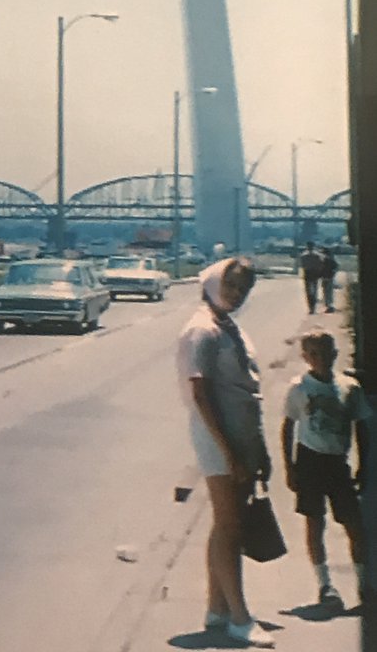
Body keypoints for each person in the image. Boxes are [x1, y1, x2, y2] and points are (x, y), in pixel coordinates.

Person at [177, 257, 275, 648]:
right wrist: (230, 452)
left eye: (244, 288)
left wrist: (258, 449)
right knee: (230, 524)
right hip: (219, 437)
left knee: (226, 523)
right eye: (232, 285)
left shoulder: (225, 325)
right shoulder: (201, 329)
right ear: (214, 281)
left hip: (240, 436)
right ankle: (239, 617)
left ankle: (217, 608)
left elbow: (246, 391)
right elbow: (200, 395)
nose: (237, 294)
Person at [282, 329, 371, 612]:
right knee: (315, 522)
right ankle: (325, 584)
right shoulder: (299, 388)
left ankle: (364, 583)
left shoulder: (349, 387)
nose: (321, 359)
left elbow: (362, 427)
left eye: (326, 353)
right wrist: (290, 467)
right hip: (310, 461)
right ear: (306, 357)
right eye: (314, 354)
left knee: (354, 525)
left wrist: (364, 463)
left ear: (335, 354)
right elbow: (288, 427)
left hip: (337, 462)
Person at [299, 241, 324, 315]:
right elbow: (321, 265)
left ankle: (310, 308)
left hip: (307, 274)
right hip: (315, 274)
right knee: (314, 291)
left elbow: (303, 265)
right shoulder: (318, 255)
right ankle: (313, 308)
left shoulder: (303, 255)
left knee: (308, 292)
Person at [320, 245, 339, 313]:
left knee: (327, 292)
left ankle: (329, 306)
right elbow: (336, 268)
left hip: (327, 278)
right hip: (328, 277)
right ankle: (329, 305)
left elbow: (335, 268)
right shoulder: (330, 260)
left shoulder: (326, 260)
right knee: (328, 292)